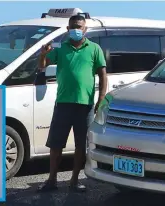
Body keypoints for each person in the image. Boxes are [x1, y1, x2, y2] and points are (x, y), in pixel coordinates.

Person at [37, 15, 108, 192]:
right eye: (73, 26)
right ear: (68, 29)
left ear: (85, 29)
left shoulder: (94, 48)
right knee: (56, 144)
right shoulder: (61, 48)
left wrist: (101, 98)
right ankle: (52, 180)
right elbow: (42, 66)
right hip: (63, 104)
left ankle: (74, 180)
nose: (76, 29)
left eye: (80, 26)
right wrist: (43, 54)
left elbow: (102, 74)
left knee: (80, 145)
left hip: (85, 105)